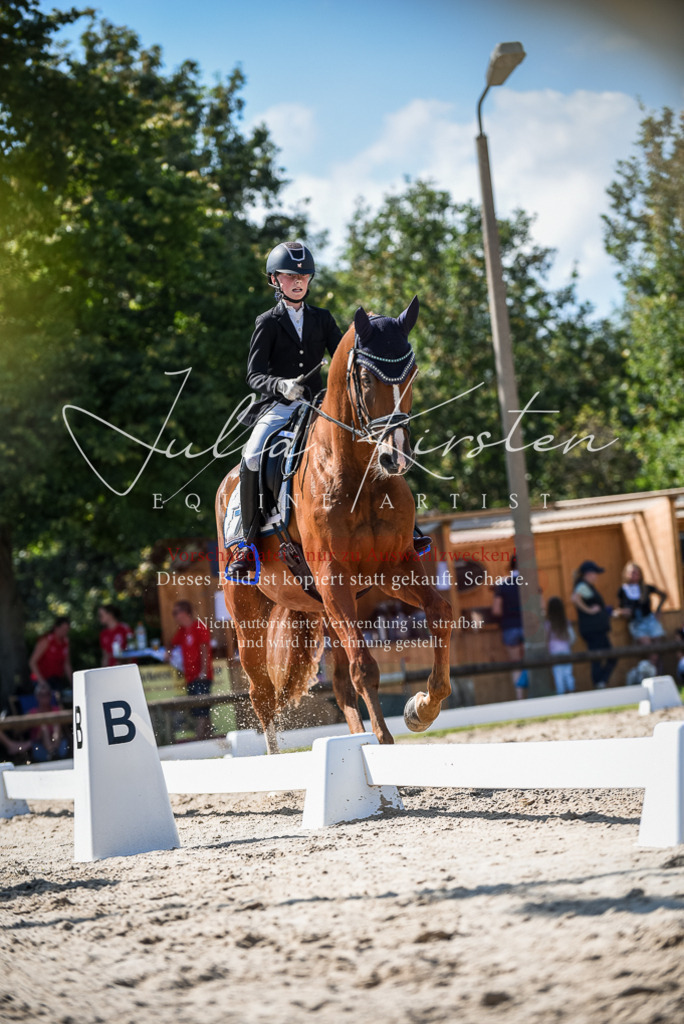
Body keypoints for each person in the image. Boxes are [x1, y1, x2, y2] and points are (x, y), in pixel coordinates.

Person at [227, 240, 343, 579]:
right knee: (251, 456)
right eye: (290, 276)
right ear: (275, 280)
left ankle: (407, 530)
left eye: (304, 276)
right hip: (279, 405)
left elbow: (341, 357)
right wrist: (280, 385)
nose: (298, 282)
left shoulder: (323, 318)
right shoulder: (267, 321)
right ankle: (247, 544)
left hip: (319, 404)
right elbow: (253, 374)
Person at [166, 600, 214, 740]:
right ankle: (208, 739)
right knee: (200, 710)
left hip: (201, 675)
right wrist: (168, 652)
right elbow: (172, 643)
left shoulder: (199, 627)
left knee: (202, 710)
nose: (174, 617)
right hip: (191, 676)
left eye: (176, 613)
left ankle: (200, 740)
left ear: (184, 612)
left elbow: (205, 649)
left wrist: (204, 671)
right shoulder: (181, 631)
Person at [570, 560, 616, 689]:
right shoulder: (582, 585)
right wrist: (589, 610)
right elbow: (575, 598)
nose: (596, 576)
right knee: (600, 657)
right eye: (594, 573)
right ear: (588, 574)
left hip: (597, 628)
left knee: (606, 656)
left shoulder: (588, 586)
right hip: (593, 629)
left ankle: (600, 682)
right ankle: (599, 683)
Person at [0, 681, 69, 763]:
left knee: (56, 725)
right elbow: (17, 732)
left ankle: (53, 751)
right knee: (44, 728)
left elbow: (68, 726)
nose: (45, 698)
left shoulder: (57, 710)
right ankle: (52, 752)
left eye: (47, 694)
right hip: (38, 745)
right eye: (41, 695)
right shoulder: (32, 713)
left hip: (59, 744)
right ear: (37, 696)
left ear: (50, 696)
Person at [492, 555, 526, 699]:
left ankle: (520, 697)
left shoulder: (502, 585)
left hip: (510, 627)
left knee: (516, 664)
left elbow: (496, 610)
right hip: (529, 628)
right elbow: (541, 606)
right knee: (532, 661)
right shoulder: (530, 583)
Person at [615, 562, 666, 645]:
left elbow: (663, 595)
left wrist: (659, 609)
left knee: (658, 645)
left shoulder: (646, 588)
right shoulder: (622, 590)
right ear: (626, 574)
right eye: (632, 573)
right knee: (648, 647)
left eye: (637, 573)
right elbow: (617, 609)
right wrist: (623, 612)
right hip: (636, 623)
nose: (634, 575)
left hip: (650, 620)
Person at [28, 616, 72, 697]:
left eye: (67, 630)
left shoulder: (65, 642)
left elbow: (66, 664)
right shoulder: (46, 640)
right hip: (42, 680)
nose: (65, 632)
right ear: (56, 627)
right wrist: (42, 681)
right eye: (63, 629)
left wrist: (73, 683)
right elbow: (32, 662)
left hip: (56, 679)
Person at [545, 596, 576, 694]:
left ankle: (561, 694)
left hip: (554, 652)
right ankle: (571, 691)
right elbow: (572, 637)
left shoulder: (548, 624)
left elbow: (546, 638)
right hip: (566, 650)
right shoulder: (565, 623)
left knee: (558, 674)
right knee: (568, 673)